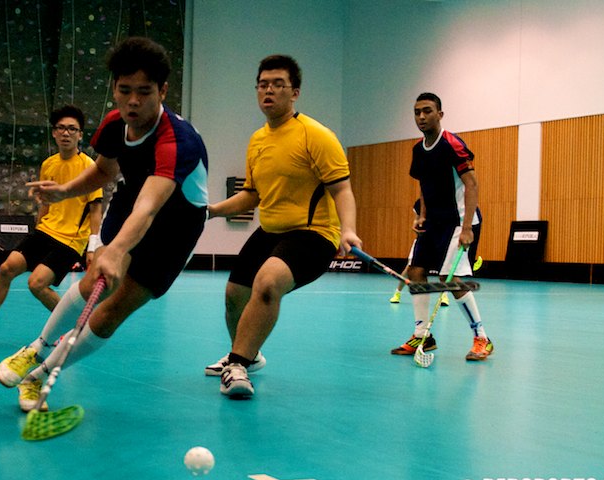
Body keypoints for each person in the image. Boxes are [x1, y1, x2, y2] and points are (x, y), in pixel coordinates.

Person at [0, 36, 208, 412]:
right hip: (130, 203)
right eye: (125, 91)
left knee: (111, 311)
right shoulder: (114, 123)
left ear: (164, 90)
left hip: (176, 226)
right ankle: (37, 349)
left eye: (145, 91)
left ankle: (39, 375)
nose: (133, 102)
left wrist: (116, 250)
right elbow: (105, 172)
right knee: (95, 281)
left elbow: (150, 208)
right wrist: (63, 192)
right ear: (114, 88)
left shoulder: (177, 141)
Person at [205, 55, 362, 398]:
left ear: (295, 92)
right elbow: (251, 196)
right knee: (234, 295)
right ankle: (249, 354)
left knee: (268, 281)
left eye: (278, 84)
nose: (269, 91)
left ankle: (237, 364)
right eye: (263, 84)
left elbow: (342, 189)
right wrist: (211, 211)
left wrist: (347, 229)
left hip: (313, 233)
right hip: (271, 231)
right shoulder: (258, 140)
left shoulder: (316, 135)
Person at [0, 105, 103, 345]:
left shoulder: (90, 168)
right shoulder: (49, 164)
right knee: (6, 268)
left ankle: (75, 328)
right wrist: (37, 228)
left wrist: (93, 247)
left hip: (72, 239)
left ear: (80, 134)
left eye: (72, 129)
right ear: (54, 132)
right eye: (61, 128)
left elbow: (96, 207)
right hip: (45, 231)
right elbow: (45, 202)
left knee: (37, 284)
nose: (66, 133)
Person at [390, 92, 493, 361]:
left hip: (459, 221)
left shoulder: (453, 144)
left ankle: (482, 338)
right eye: (416, 112)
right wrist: (421, 215)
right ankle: (423, 335)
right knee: (416, 272)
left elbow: (472, 184)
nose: (421, 117)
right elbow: (423, 184)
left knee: (452, 280)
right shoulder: (417, 150)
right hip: (434, 223)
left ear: (440, 114)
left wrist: (468, 227)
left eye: (427, 111)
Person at [389, 200, 483, 304]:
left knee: (445, 271)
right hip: (425, 238)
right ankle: (397, 292)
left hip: (444, 237)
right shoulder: (419, 203)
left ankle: (444, 296)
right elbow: (417, 221)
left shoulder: (451, 201)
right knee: (411, 269)